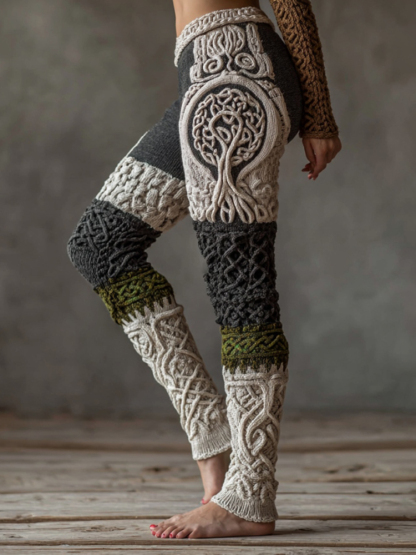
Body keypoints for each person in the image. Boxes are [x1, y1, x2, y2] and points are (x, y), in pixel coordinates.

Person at [67, 0, 341, 539]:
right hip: (204, 69)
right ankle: (213, 431)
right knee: (100, 243)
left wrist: (320, 114)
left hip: (235, 75)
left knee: (241, 290)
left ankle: (250, 494)